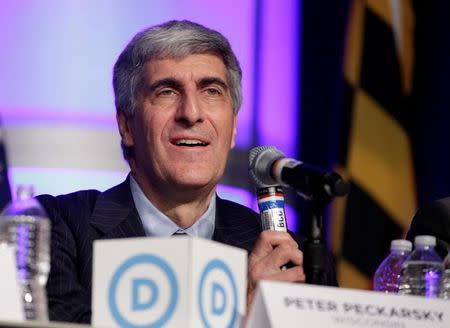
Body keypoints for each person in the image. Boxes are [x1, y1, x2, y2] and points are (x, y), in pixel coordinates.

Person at [37, 20, 337, 323]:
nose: (191, 113)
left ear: (232, 127)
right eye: (167, 92)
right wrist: (241, 316)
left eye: (211, 91)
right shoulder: (54, 226)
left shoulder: (290, 258)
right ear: (126, 125)